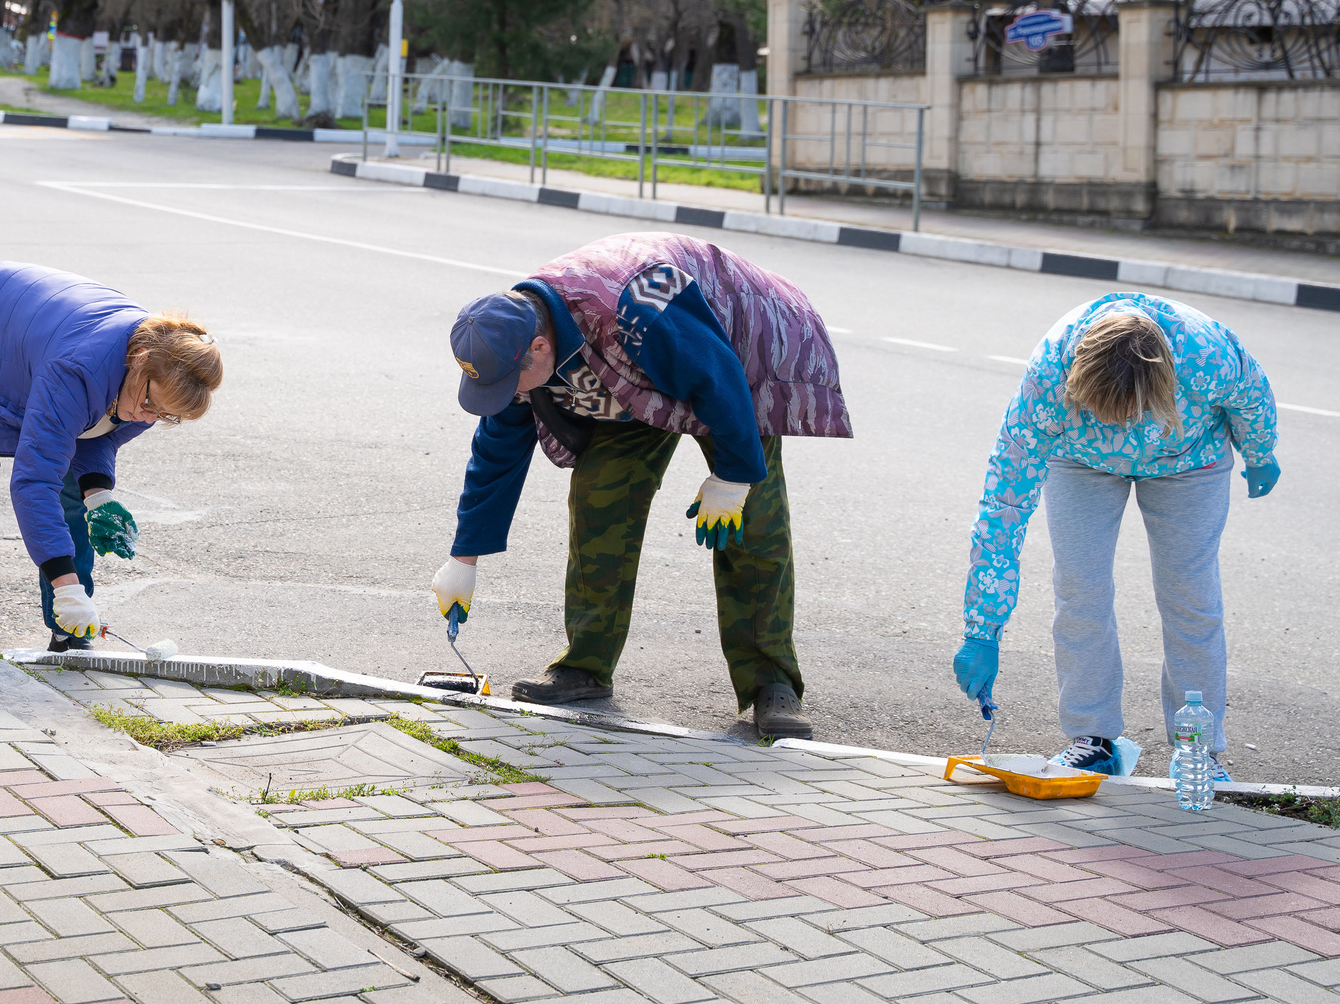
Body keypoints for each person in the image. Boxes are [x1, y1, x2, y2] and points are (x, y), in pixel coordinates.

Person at [436, 231, 851, 733]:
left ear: (540, 347)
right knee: (599, 497)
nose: (504, 395)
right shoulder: (512, 341)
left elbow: (718, 376)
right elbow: (497, 451)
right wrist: (463, 558)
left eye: (505, 383)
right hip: (634, 379)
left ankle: (772, 684)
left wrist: (732, 478)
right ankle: (585, 666)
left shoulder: (636, 307)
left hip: (732, 356)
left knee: (752, 521)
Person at [954, 293, 1279, 778]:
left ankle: (1197, 750)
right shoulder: (1048, 377)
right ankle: (1094, 738)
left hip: (1188, 460)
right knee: (1079, 588)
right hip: (1081, 461)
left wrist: (1261, 450)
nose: (1121, 424)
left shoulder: (1206, 355)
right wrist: (982, 631)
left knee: (1190, 596)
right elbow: (1004, 506)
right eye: (1104, 410)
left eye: (1131, 411)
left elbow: (1252, 395)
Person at [0, 261, 221, 652]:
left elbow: (96, 431)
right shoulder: (77, 371)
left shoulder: (155, 381)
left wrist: (98, 495)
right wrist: (66, 587)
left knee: (73, 499)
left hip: (25, 346)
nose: (150, 418)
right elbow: (35, 481)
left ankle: (70, 635)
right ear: (139, 359)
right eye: (151, 405)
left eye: (166, 416)